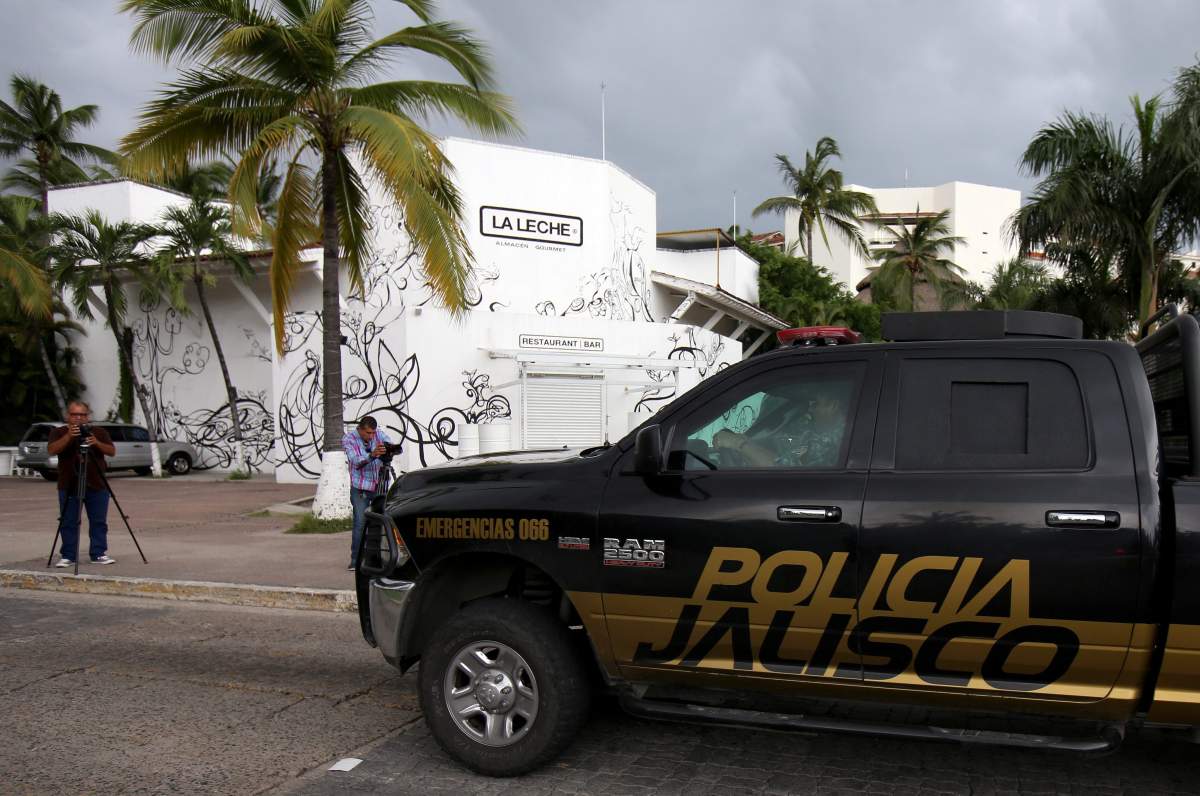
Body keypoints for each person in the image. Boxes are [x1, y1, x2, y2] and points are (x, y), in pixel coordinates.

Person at [46, 401, 118, 567]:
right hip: (69, 483)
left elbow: (112, 451)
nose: (78, 418)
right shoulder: (59, 432)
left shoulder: (99, 432)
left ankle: (98, 553)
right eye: (74, 415)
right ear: (68, 416)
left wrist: (96, 443)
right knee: (68, 521)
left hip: (97, 484)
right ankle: (68, 555)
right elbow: (52, 450)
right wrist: (69, 436)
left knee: (98, 521)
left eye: (82, 415)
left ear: (88, 416)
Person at [712, 390, 848, 468]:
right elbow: (778, 443)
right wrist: (744, 443)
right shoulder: (815, 431)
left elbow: (783, 471)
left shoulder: (835, 444)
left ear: (834, 405)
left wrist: (737, 443)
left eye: (816, 404)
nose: (810, 410)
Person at [342, 415, 393, 570]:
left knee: (381, 523)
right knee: (360, 523)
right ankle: (355, 560)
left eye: (373, 433)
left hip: (379, 485)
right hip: (360, 488)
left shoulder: (379, 434)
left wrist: (389, 449)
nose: (371, 436)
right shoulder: (348, 439)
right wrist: (372, 455)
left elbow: (392, 446)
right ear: (360, 429)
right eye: (368, 433)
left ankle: (377, 558)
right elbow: (356, 461)